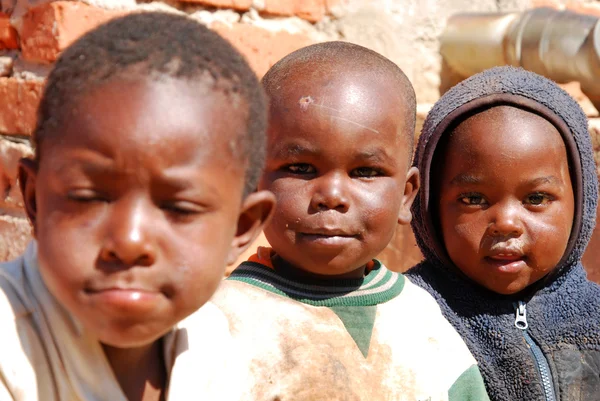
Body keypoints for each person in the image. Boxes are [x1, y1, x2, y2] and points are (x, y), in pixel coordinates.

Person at [0, 12, 274, 401]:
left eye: (179, 207)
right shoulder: (9, 345)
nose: (129, 241)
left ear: (241, 229)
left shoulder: (212, 348)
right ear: (34, 202)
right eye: (88, 197)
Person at [212, 41, 490, 401]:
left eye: (365, 171)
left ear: (406, 197)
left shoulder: (422, 321)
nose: (332, 195)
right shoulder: (219, 322)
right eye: (300, 168)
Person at [407, 66, 600, 400]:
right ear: (428, 204)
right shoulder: (409, 317)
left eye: (536, 199)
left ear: (582, 201)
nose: (507, 223)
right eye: (473, 199)